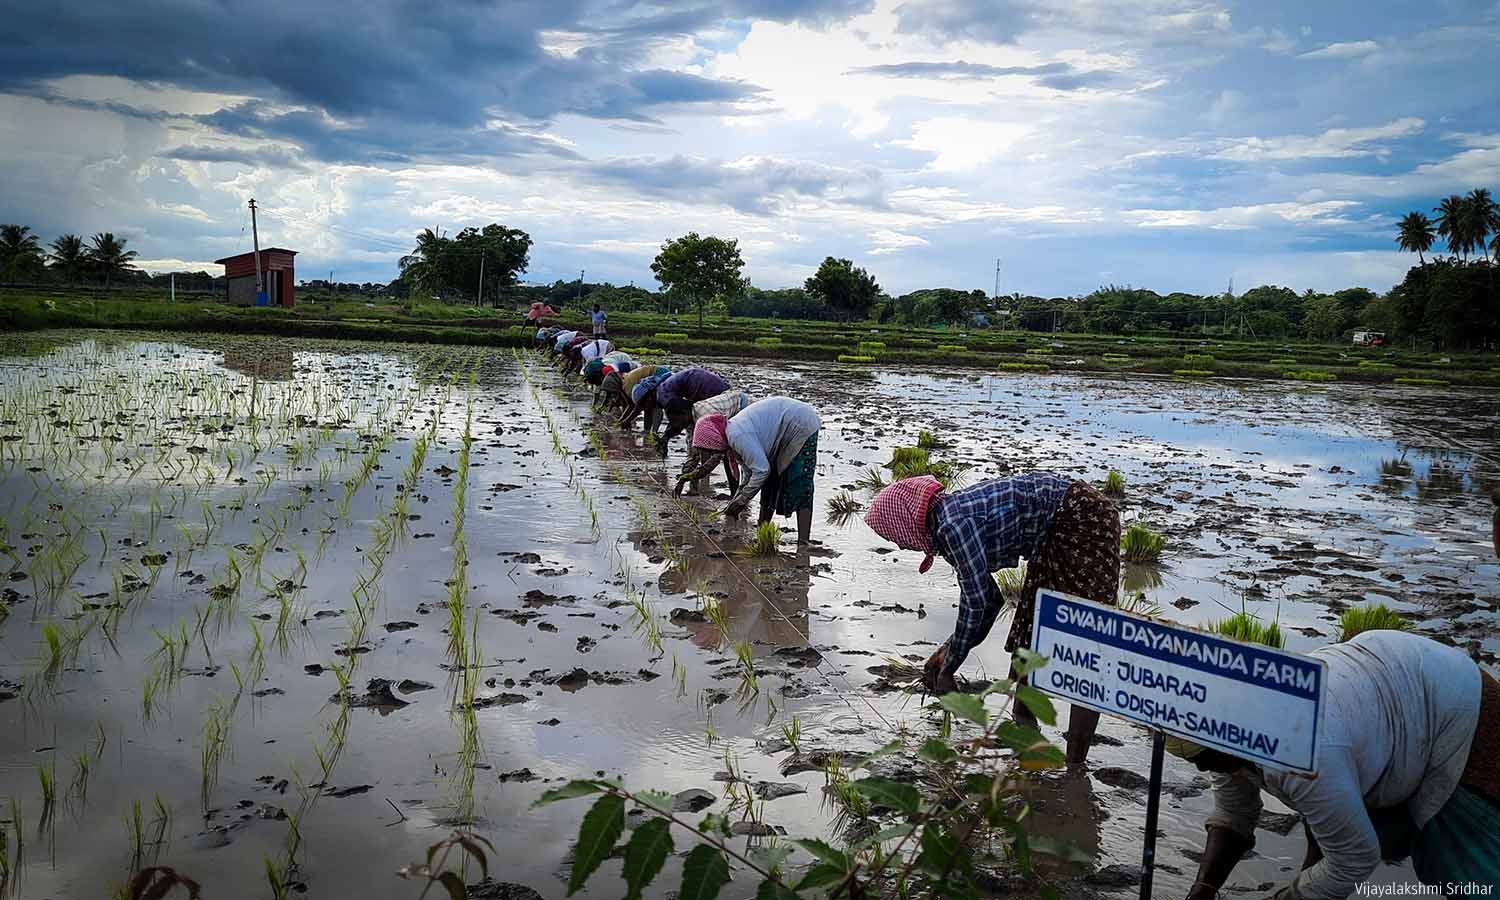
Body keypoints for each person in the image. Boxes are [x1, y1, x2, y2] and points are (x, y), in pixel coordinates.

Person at [1177, 629, 1499, 900]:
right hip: (1387, 692)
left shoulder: (1301, 748)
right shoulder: (1231, 724)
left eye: (1208, 760)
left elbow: (1354, 858)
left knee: (1462, 870)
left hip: (1460, 720)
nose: (1205, 769)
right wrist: (1203, 888)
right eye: (1197, 762)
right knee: (1329, 813)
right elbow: (1233, 816)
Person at [863, 471, 1120, 767]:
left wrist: (949, 667)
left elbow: (977, 602)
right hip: (1054, 529)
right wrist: (948, 652)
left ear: (905, 522)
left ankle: (1075, 766)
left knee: (1084, 641)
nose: (898, 544)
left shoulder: (953, 526)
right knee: (1031, 631)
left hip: (1083, 519)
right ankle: (1026, 741)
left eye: (892, 534)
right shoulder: (948, 520)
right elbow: (991, 599)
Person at [675, 397, 820, 545]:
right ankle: (763, 534)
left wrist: (741, 501)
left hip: (799, 422)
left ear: (715, 440)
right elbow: (749, 472)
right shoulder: (731, 436)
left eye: (710, 450)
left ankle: (804, 543)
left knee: (799, 481)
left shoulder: (737, 436)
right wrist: (737, 500)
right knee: (770, 482)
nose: (713, 455)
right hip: (784, 425)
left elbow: (762, 470)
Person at [654, 367, 731, 455]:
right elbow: (677, 419)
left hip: (706, 387)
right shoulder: (665, 392)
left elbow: (678, 420)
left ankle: (696, 455)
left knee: (698, 426)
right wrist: (667, 436)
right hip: (709, 382)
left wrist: (666, 436)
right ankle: (696, 454)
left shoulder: (664, 397)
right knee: (693, 425)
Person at [620, 369, 673, 434]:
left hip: (651, 392)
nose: (644, 407)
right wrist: (625, 422)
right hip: (646, 392)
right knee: (649, 410)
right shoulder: (647, 393)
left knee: (652, 410)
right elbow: (637, 410)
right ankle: (649, 431)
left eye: (644, 404)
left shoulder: (663, 390)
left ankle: (651, 432)